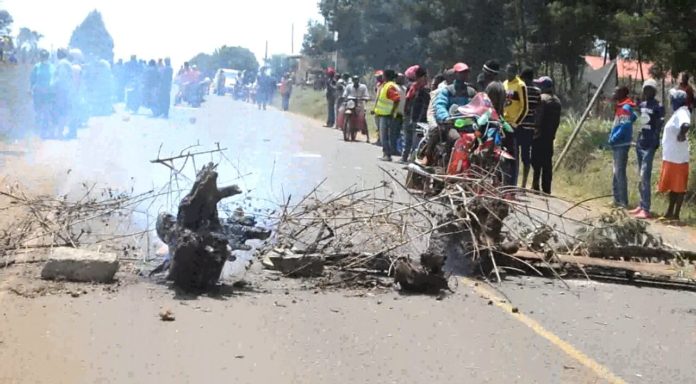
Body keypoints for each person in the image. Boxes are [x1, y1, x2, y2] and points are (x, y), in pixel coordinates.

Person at [628, 79, 664, 219]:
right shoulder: (642, 105)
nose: (647, 92)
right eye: (645, 89)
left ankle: (646, 208)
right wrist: (637, 138)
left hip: (650, 144)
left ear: (654, 91)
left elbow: (659, 125)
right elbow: (641, 123)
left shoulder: (658, 106)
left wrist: (655, 141)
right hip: (640, 143)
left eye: (650, 89)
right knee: (640, 175)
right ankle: (641, 204)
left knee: (645, 175)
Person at [658, 89, 691, 222]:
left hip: (678, 158)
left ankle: (676, 215)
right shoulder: (678, 112)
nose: (670, 101)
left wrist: (681, 134)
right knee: (673, 186)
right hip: (672, 157)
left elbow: (686, 124)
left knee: (679, 187)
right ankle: (669, 212)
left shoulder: (682, 112)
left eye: (672, 99)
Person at [531, 76, 561, 194]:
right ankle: (547, 188)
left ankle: (535, 185)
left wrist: (535, 131)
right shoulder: (557, 101)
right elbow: (557, 121)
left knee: (536, 160)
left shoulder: (541, 99)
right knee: (547, 162)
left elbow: (538, 117)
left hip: (539, 135)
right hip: (550, 136)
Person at [608, 85, 637, 208]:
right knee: (616, 172)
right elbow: (634, 117)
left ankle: (623, 201)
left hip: (621, 144)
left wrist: (614, 138)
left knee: (619, 173)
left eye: (616, 92)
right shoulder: (623, 106)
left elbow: (625, 126)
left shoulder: (625, 107)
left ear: (622, 94)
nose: (614, 93)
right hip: (619, 143)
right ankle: (616, 199)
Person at [503, 63, 529, 186]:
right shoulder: (504, 84)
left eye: (511, 72)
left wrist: (516, 123)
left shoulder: (520, 85)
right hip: (502, 123)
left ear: (515, 72)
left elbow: (525, 107)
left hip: (513, 125)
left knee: (513, 155)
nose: (509, 74)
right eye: (507, 71)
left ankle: (513, 183)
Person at [400, 66, 429, 163]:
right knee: (407, 138)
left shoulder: (425, 90)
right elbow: (407, 102)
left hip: (419, 120)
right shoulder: (412, 87)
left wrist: (419, 120)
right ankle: (404, 158)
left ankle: (412, 161)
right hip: (409, 116)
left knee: (415, 142)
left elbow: (425, 107)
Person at [518, 67, 540, 189]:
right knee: (526, 156)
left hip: (518, 125)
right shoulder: (537, 91)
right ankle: (523, 184)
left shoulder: (521, 89)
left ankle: (513, 181)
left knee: (514, 154)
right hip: (530, 127)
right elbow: (537, 109)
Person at [372, 69, 401, 162]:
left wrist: (392, 112)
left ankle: (387, 155)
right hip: (382, 114)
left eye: (383, 75)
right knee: (383, 135)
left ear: (386, 76)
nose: (382, 77)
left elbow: (396, 99)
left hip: (386, 115)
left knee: (385, 136)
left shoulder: (390, 86)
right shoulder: (384, 85)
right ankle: (385, 153)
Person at [30, 49, 54, 138]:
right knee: (38, 112)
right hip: (38, 93)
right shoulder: (37, 67)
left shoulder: (52, 67)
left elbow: (54, 78)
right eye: (42, 56)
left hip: (48, 93)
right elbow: (32, 79)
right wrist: (30, 89)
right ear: (40, 56)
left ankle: (44, 131)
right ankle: (37, 131)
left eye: (45, 56)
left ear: (47, 57)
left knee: (46, 112)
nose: (44, 57)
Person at [340, 75, 370, 141]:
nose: (355, 81)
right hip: (350, 103)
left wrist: (366, 98)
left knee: (362, 118)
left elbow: (366, 95)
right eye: (354, 80)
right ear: (353, 81)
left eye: (357, 80)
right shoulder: (349, 86)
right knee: (341, 110)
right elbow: (345, 94)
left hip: (359, 104)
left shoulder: (363, 87)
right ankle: (341, 124)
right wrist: (343, 97)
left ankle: (367, 135)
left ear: (358, 80)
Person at [52, 48, 74, 138]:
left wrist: (54, 87)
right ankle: (62, 131)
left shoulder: (60, 64)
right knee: (65, 111)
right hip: (67, 90)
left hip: (60, 91)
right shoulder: (68, 64)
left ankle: (59, 132)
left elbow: (59, 78)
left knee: (60, 111)